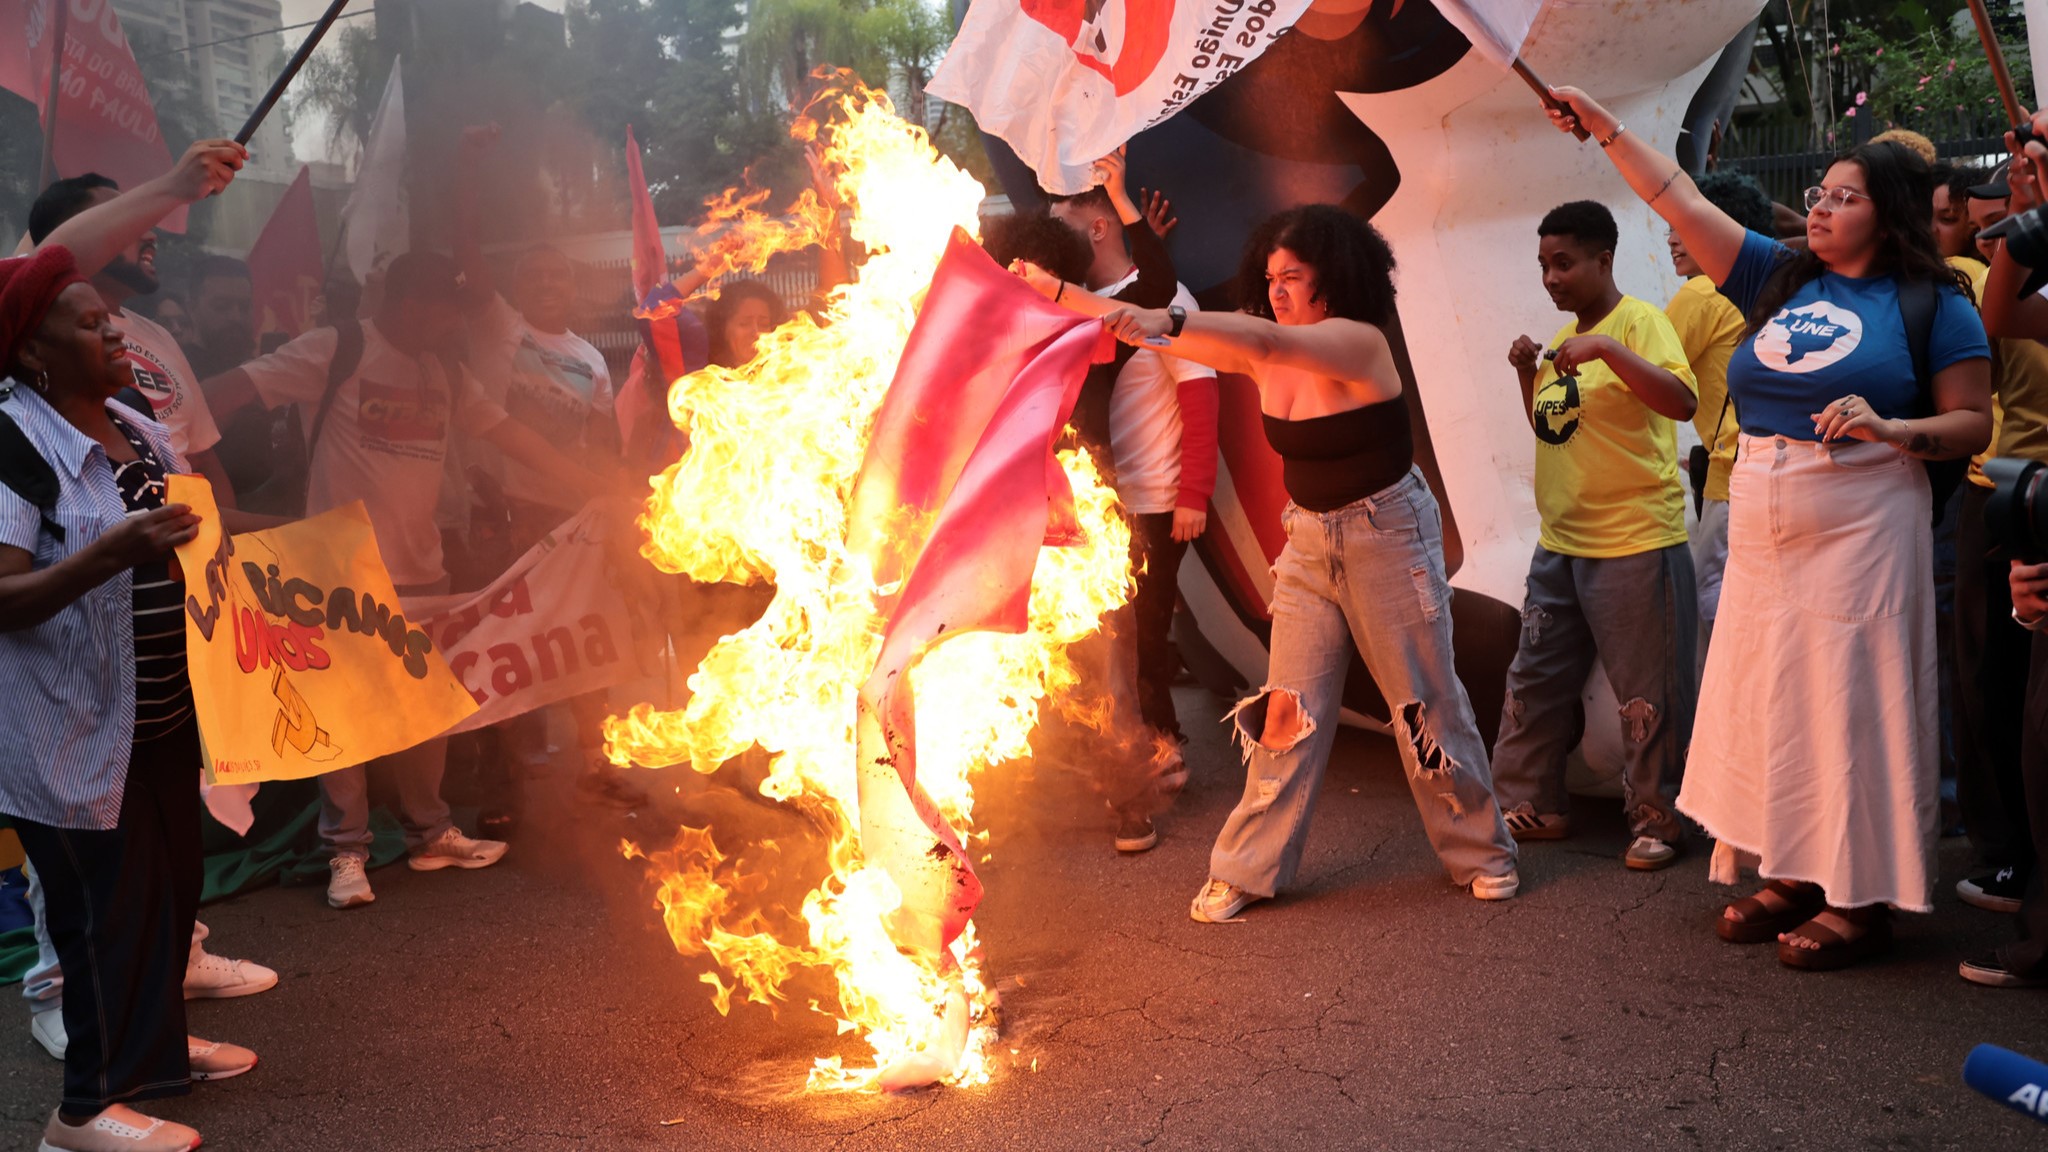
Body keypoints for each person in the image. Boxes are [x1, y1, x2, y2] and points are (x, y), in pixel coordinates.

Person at [1547, 88, 1992, 970]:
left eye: (1845, 197)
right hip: (1765, 518)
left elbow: (1971, 424)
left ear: (1891, 213)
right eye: (1820, 194)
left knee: (1852, 706)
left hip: (1863, 523)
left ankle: (1861, 899)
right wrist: (1604, 127)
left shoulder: (1934, 303)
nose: (1821, 207)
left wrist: (1893, 427)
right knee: (1774, 699)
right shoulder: (1780, 275)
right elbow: (1677, 195)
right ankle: (1793, 869)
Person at [1026, 204, 1521, 917]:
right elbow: (1141, 322)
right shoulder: (1269, 351)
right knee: (1285, 707)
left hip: (1388, 535)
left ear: (1336, 277)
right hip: (1311, 541)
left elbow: (1231, 331)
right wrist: (1060, 293)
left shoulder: (1356, 343)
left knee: (1424, 702)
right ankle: (1248, 867)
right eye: (1270, 277)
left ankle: (1482, 851)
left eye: (1294, 275)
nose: (1279, 289)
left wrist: (1165, 320)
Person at [0, 138, 265, 1152]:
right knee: (99, 922)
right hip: (70, 732)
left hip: (158, 713)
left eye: (111, 317)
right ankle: (81, 1113)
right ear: (32, 350)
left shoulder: (132, 423)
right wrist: (112, 555)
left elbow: (193, 538)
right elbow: (5, 599)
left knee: (167, 894)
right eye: (90, 322)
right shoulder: (13, 441)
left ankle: (156, 1056)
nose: (116, 328)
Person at [202, 252, 609, 911]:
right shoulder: (341, 347)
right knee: (341, 716)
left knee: (427, 711)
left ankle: (432, 832)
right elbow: (228, 393)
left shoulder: (442, 368)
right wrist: (172, 445)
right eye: (443, 309)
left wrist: (595, 488)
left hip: (424, 569)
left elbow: (509, 435)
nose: (452, 322)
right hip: (334, 573)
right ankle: (347, 853)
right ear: (409, 304)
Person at [1494, 200, 1699, 871]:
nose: (1551, 278)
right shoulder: (1564, 346)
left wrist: (1610, 347)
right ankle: (1533, 804)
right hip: (1562, 542)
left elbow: (1682, 400)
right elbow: (1555, 429)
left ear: (1603, 259)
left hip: (1636, 540)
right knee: (1535, 677)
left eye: (1564, 263)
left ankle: (1657, 819)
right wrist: (1530, 373)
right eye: (1544, 265)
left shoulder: (1638, 323)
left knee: (1647, 690)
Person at [452, 124, 641, 817]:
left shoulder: (592, 359)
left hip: (570, 523)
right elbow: (465, 252)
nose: (548, 283)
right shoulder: (500, 328)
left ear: (574, 284)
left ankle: (597, 762)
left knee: (586, 642)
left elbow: (601, 445)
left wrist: (614, 501)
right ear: (517, 287)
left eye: (559, 274)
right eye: (535, 275)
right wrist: (467, 175)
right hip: (503, 517)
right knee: (508, 652)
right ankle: (510, 785)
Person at [1957, 132, 2048, 986]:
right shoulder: (2003, 276)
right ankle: (2020, 874)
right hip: (2017, 500)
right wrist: (2025, 238)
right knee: (2014, 710)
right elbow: (2000, 317)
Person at [27, 176, 236, 507]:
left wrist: (226, 549)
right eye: (125, 221)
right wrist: (177, 181)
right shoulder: (34, 333)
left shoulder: (161, 337)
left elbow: (203, 459)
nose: (150, 234)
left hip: (195, 545)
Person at [1669, 171, 1776, 664]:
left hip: (1732, 476)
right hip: (1775, 469)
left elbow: (1649, 379)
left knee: (1711, 598)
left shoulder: (1699, 295)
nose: (1672, 236)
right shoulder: (1777, 279)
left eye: (1684, 222)